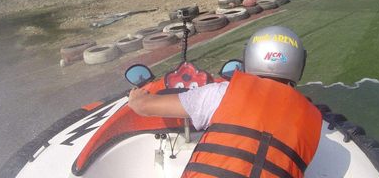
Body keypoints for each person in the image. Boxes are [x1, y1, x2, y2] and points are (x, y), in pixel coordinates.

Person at [128, 26, 322, 178]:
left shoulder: (221, 93)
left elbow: (144, 107)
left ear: (249, 57)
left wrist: (138, 97)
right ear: (299, 64)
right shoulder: (313, 117)